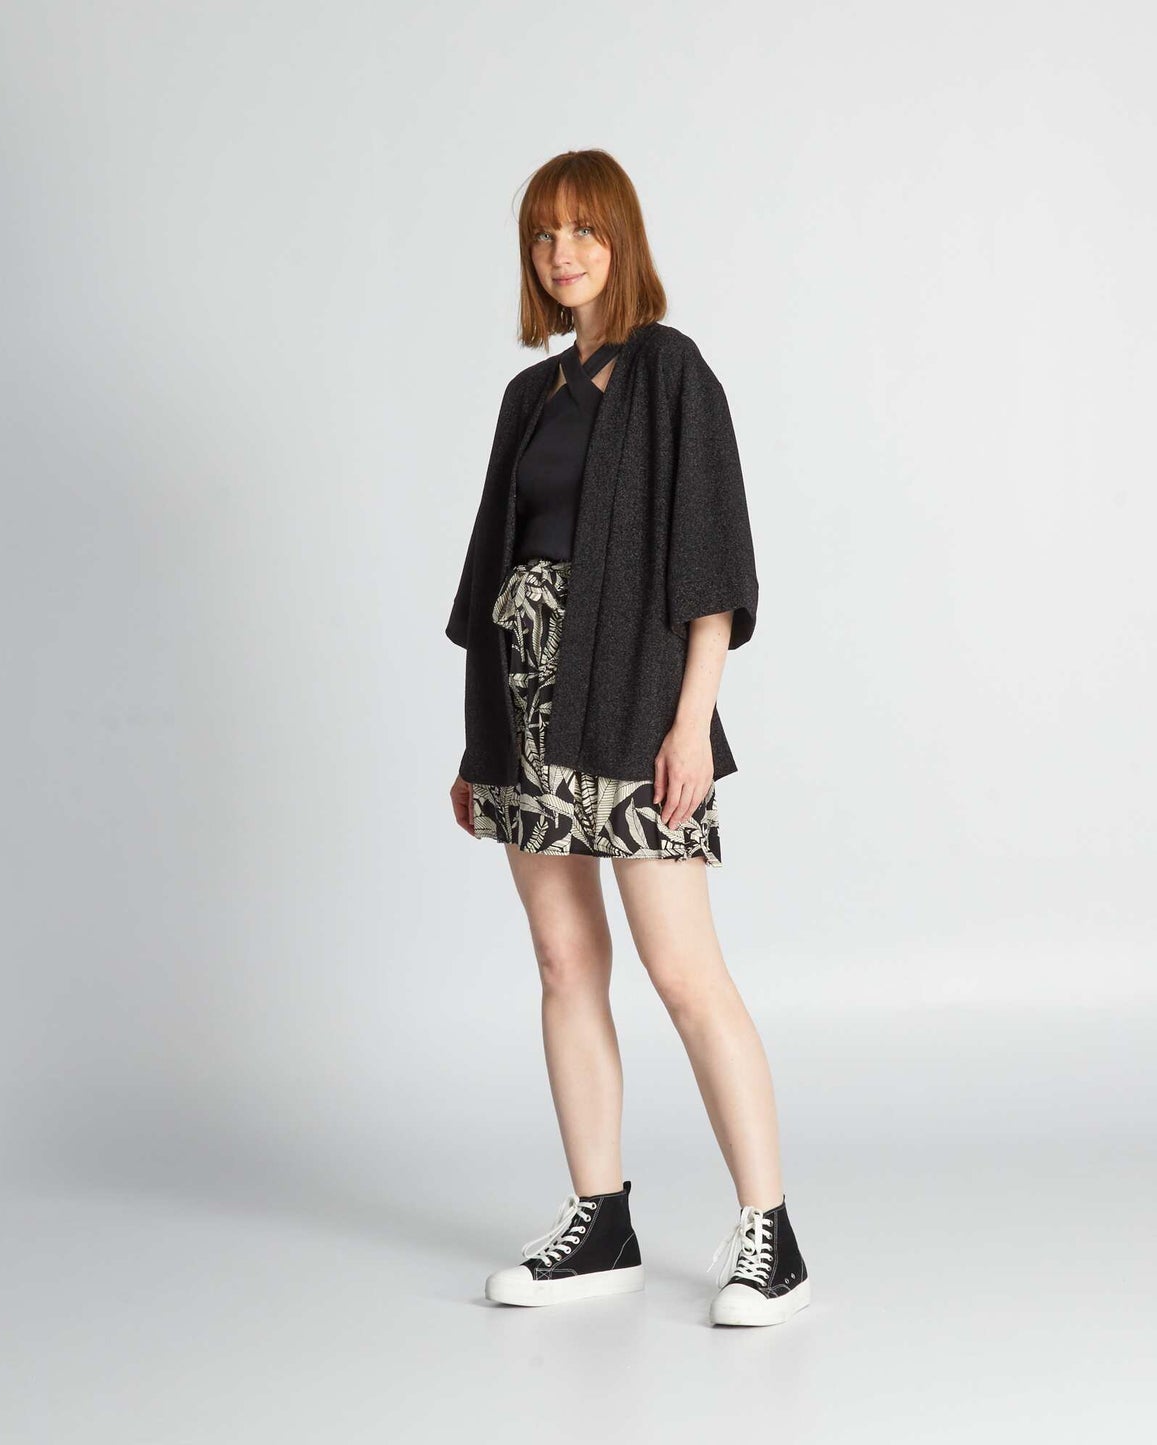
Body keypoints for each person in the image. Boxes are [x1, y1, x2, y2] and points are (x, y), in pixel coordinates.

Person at [445, 150, 810, 1326]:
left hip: (634, 705)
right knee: (563, 962)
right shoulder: (529, 397)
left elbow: (710, 565)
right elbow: (493, 577)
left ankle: (770, 1233)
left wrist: (690, 722)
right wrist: (479, 749)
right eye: (543, 234)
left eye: (583, 230)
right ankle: (599, 1218)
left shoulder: (669, 371)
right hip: (523, 709)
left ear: (620, 240)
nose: (561, 253)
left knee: (681, 969)